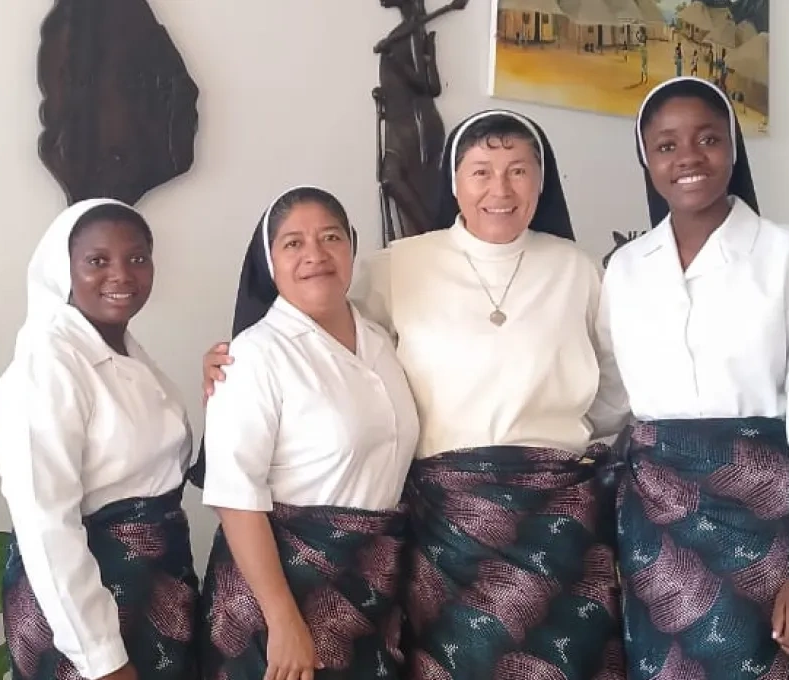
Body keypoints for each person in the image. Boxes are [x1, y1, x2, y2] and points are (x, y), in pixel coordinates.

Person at [203, 110, 630, 679]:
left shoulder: (578, 270)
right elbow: (315, 318)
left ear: (541, 180)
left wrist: (548, 447)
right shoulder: (396, 267)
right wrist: (226, 361)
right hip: (445, 531)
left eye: (518, 171)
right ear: (454, 182)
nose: (499, 189)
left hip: (559, 520)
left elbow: (614, 389)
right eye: (480, 171)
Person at [603, 76, 789, 678]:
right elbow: (610, 401)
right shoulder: (626, 269)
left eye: (708, 138)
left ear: (733, 149)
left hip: (763, 515)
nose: (688, 157)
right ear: (646, 160)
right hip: (657, 522)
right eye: (666, 145)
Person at [198, 186, 420, 680]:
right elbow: (235, 497)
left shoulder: (381, 340)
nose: (315, 255)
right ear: (269, 261)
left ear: (352, 247)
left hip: (370, 589)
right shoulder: (254, 356)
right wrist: (282, 619)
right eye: (293, 243)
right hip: (281, 600)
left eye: (330, 237)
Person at [0, 199, 199, 680]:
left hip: (153, 592)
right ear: (64, 268)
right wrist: (101, 659)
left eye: (137, 258)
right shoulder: (49, 362)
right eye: (97, 260)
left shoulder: (123, 351)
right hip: (86, 610)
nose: (121, 274)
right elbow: (46, 522)